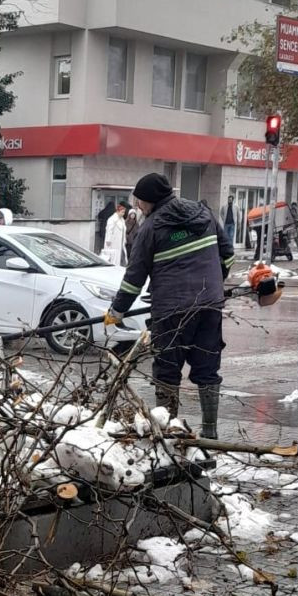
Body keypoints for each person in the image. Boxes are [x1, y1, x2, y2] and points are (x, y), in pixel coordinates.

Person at [103, 173, 234, 439]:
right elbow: (228, 255)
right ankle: (210, 433)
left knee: (166, 372)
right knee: (208, 369)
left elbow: (134, 278)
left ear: (149, 202)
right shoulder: (204, 214)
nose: (138, 207)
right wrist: (213, 284)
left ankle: (168, 429)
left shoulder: (151, 228)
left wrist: (116, 312)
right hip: (209, 308)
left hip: (171, 312)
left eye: (139, 202)